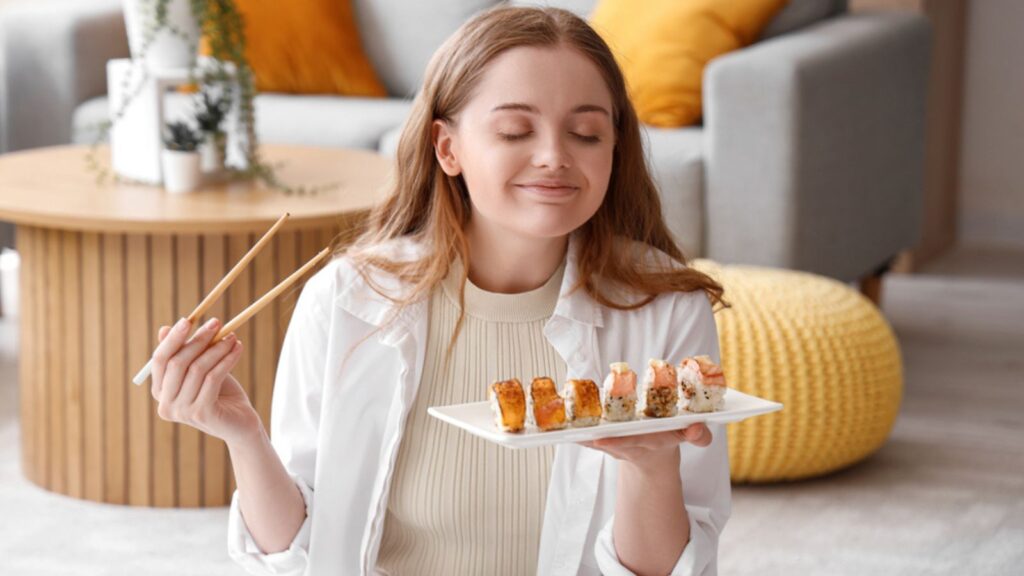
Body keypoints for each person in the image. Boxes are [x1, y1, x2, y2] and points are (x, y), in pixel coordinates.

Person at [148, 6, 732, 576]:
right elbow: (300, 555)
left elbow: (669, 569)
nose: (555, 157)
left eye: (586, 133)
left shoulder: (664, 309)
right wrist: (243, 437)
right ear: (447, 148)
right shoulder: (349, 298)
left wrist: (652, 468)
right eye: (514, 130)